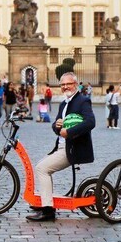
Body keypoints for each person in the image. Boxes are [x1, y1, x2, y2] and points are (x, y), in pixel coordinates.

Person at [26, 72, 95, 222]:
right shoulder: (64, 103)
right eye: (62, 84)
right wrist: (57, 126)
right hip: (61, 147)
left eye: (68, 84)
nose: (65, 87)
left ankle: (47, 210)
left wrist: (68, 132)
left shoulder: (83, 101)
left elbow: (90, 122)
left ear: (75, 85)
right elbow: (57, 126)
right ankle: (46, 202)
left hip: (73, 149)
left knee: (42, 169)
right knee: (42, 167)